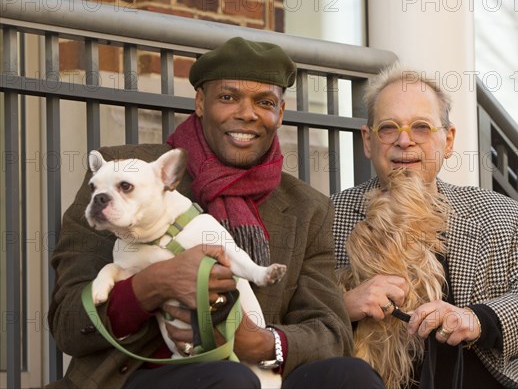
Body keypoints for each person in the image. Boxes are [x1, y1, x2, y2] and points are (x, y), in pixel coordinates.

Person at [48, 36, 384, 389]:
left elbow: (330, 331)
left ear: (280, 114)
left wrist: (260, 342)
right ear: (200, 102)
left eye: (264, 101)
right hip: (138, 375)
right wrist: (153, 285)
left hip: (258, 371)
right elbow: (69, 323)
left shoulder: (307, 206)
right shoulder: (124, 173)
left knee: (351, 376)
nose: (247, 113)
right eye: (228, 97)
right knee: (229, 380)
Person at [331, 64, 518, 388]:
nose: (404, 141)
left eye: (421, 127)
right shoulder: (330, 214)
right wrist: (346, 304)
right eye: (388, 128)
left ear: (449, 139)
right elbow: (288, 313)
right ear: (368, 141)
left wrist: (475, 319)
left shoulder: (498, 213)